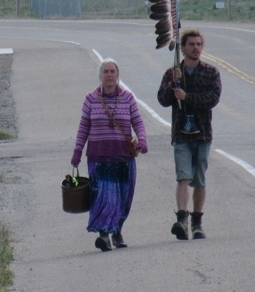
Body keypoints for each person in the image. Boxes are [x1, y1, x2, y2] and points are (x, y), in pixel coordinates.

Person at [71, 58, 149, 252]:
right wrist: (77, 153)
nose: (109, 75)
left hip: (123, 157)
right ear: (100, 75)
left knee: (123, 198)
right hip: (99, 158)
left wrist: (142, 140)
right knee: (104, 198)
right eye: (105, 72)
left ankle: (117, 231)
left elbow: (138, 122)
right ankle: (104, 236)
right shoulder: (90, 99)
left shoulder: (128, 98)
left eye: (112, 71)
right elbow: (83, 128)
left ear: (118, 75)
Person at [157, 29, 221, 241]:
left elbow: (213, 98)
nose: (195, 48)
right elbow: (163, 99)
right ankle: (182, 218)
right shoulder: (173, 73)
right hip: (181, 133)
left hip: (202, 133)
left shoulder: (210, 73)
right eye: (191, 44)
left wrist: (188, 97)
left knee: (199, 179)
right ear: (182, 48)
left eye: (198, 44)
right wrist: (172, 85)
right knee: (183, 176)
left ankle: (197, 221)